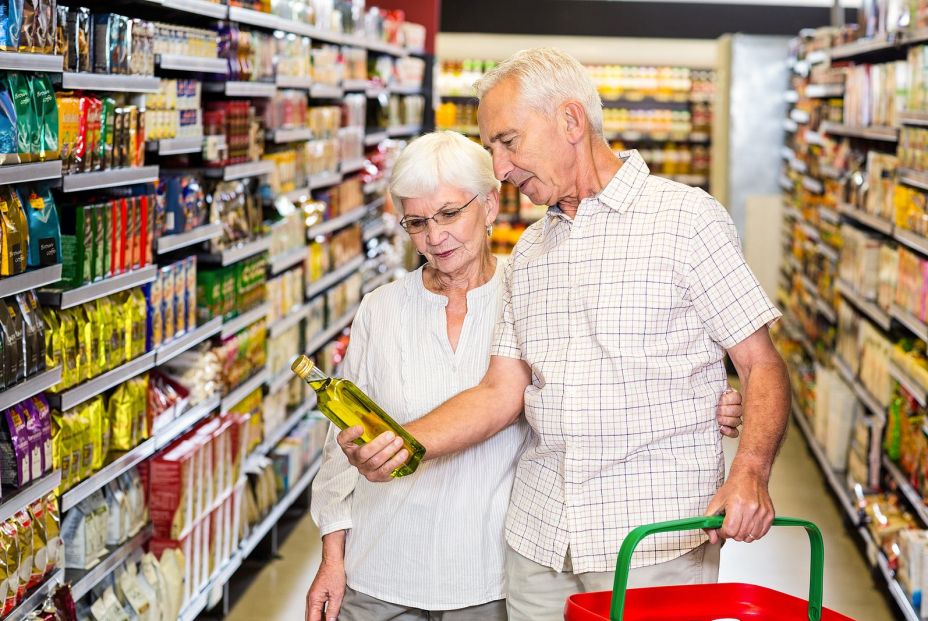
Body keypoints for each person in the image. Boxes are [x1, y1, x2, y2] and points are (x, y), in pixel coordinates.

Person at [337, 48, 791, 621]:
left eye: (508, 142)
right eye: (492, 148)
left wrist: (751, 469)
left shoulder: (685, 220)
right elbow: (500, 391)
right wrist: (404, 441)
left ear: (571, 120)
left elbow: (759, 362)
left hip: (650, 540)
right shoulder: (531, 250)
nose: (500, 167)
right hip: (541, 540)